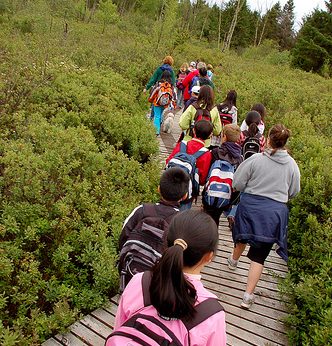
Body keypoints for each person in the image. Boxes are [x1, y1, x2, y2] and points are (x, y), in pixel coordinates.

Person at [107, 210, 226, 346]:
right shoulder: (211, 315)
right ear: (209, 257)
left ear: (167, 243)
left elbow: (119, 328)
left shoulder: (139, 281)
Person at [228, 124, 300, 309]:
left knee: (243, 235)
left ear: (268, 140)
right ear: (285, 143)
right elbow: (294, 192)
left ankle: (233, 260)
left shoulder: (255, 160)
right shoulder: (292, 164)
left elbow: (237, 183)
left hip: (250, 207)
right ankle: (247, 296)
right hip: (274, 214)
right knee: (259, 257)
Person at [118, 167, 189, 291]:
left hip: (131, 275)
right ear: (184, 196)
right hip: (161, 285)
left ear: (159, 189)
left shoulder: (142, 210)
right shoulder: (183, 222)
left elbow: (123, 238)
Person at [166, 120, 213, 210]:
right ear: (210, 136)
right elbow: (202, 179)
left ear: (194, 131)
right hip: (187, 192)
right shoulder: (206, 154)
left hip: (170, 184)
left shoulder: (182, 144)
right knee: (180, 220)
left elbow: (168, 161)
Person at [203, 124, 243, 226]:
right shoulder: (239, 157)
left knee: (207, 217)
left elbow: (207, 172)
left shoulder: (215, 152)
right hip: (226, 195)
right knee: (216, 217)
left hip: (210, 192)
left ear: (224, 136)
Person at [148, 70, 177, 136]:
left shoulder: (159, 83)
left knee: (157, 116)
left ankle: (156, 131)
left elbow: (153, 92)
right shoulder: (171, 86)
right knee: (161, 114)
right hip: (166, 104)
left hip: (157, 102)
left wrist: (150, 99)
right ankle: (160, 123)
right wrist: (174, 104)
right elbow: (174, 95)